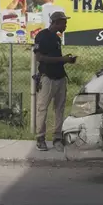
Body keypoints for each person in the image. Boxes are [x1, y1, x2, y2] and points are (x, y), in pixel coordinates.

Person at [33, 11, 77, 151]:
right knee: (42, 109)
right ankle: (40, 138)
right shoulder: (42, 36)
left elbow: (55, 59)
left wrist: (67, 60)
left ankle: (57, 138)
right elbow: (39, 58)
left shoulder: (57, 38)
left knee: (59, 109)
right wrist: (62, 59)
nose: (66, 25)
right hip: (47, 77)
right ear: (56, 22)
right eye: (64, 22)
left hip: (60, 77)